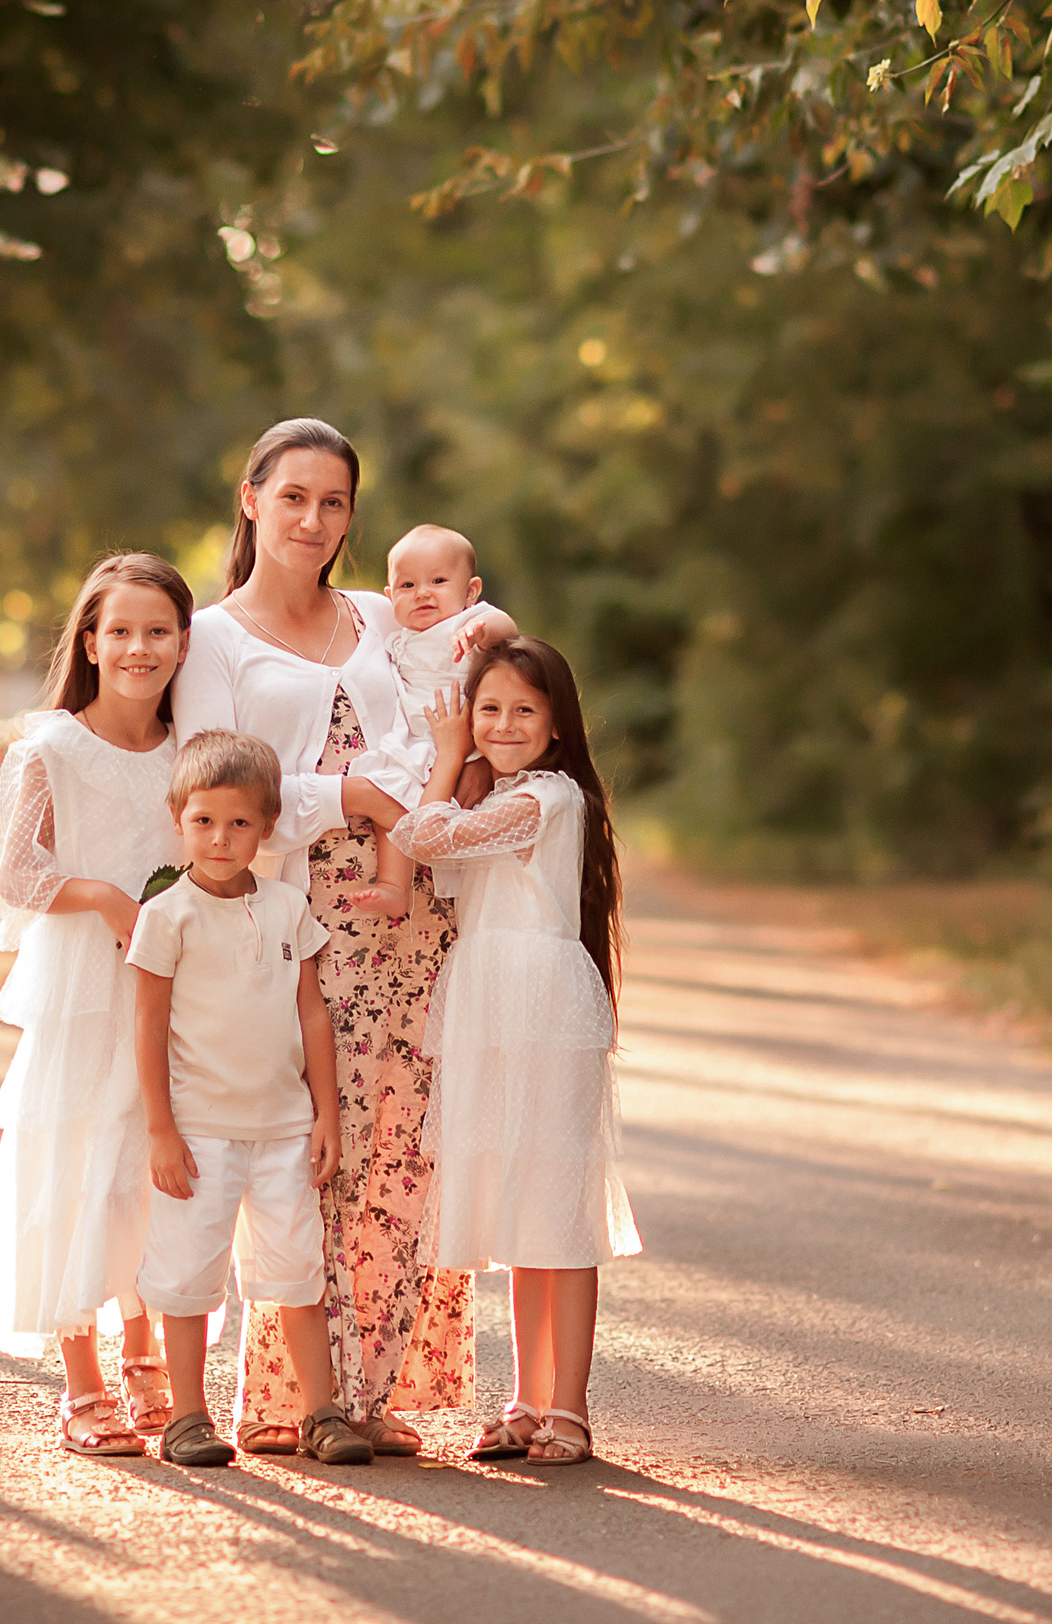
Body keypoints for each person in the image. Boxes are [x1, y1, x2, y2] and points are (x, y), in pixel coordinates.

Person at [171, 417, 474, 1459]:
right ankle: (297, 1392)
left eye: (334, 501)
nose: (313, 518)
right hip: (299, 917)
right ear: (250, 497)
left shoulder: (388, 612)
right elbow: (213, 775)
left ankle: (377, 1391)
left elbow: (477, 651)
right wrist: (342, 791)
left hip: (415, 911)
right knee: (314, 1144)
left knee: (401, 1145)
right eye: (293, 496)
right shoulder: (213, 636)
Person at [390, 636, 641, 1468]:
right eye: (486, 707)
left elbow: (425, 836)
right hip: (491, 1003)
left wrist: (448, 751)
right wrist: (463, 765)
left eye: (522, 709)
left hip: (541, 1005)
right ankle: (528, 1399)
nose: (501, 724)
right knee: (521, 1207)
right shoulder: (502, 796)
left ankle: (567, 1406)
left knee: (557, 1210)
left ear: (558, 724)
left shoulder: (548, 798)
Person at [0, 552, 193, 1458]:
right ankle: (83, 1380)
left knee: (156, 1157)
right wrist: (105, 896)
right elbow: (10, 876)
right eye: (120, 631)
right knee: (75, 1160)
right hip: (83, 982)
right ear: (90, 642)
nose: (138, 648)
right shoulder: (50, 748)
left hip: (176, 983)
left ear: (183, 642)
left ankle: (148, 1355)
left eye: (158, 630)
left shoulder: (193, 746)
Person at [128, 729, 375, 1468]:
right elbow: (148, 1022)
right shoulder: (166, 915)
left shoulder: (288, 907)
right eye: (204, 820)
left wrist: (325, 1113)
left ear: (267, 826)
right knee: (186, 1273)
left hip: (283, 1129)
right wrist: (160, 1129)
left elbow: (312, 1013)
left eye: (239, 822)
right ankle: (187, 1416)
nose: (221, 837)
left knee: (298, 1269)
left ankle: (321, 1411)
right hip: (200, 1130)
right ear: (179, 817)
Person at [347, 523, 518, 919]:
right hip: (415, 744)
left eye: (438, 581)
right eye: (407, 586)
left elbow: (505, 629)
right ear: (390, 597)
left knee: (469, 825)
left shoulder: (469, 621)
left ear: (470, 591)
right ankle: (393, 884)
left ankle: (486, 901)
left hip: (468, 741)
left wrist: (480, 631)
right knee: (390, 798)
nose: (422, 592)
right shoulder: (397, 638)